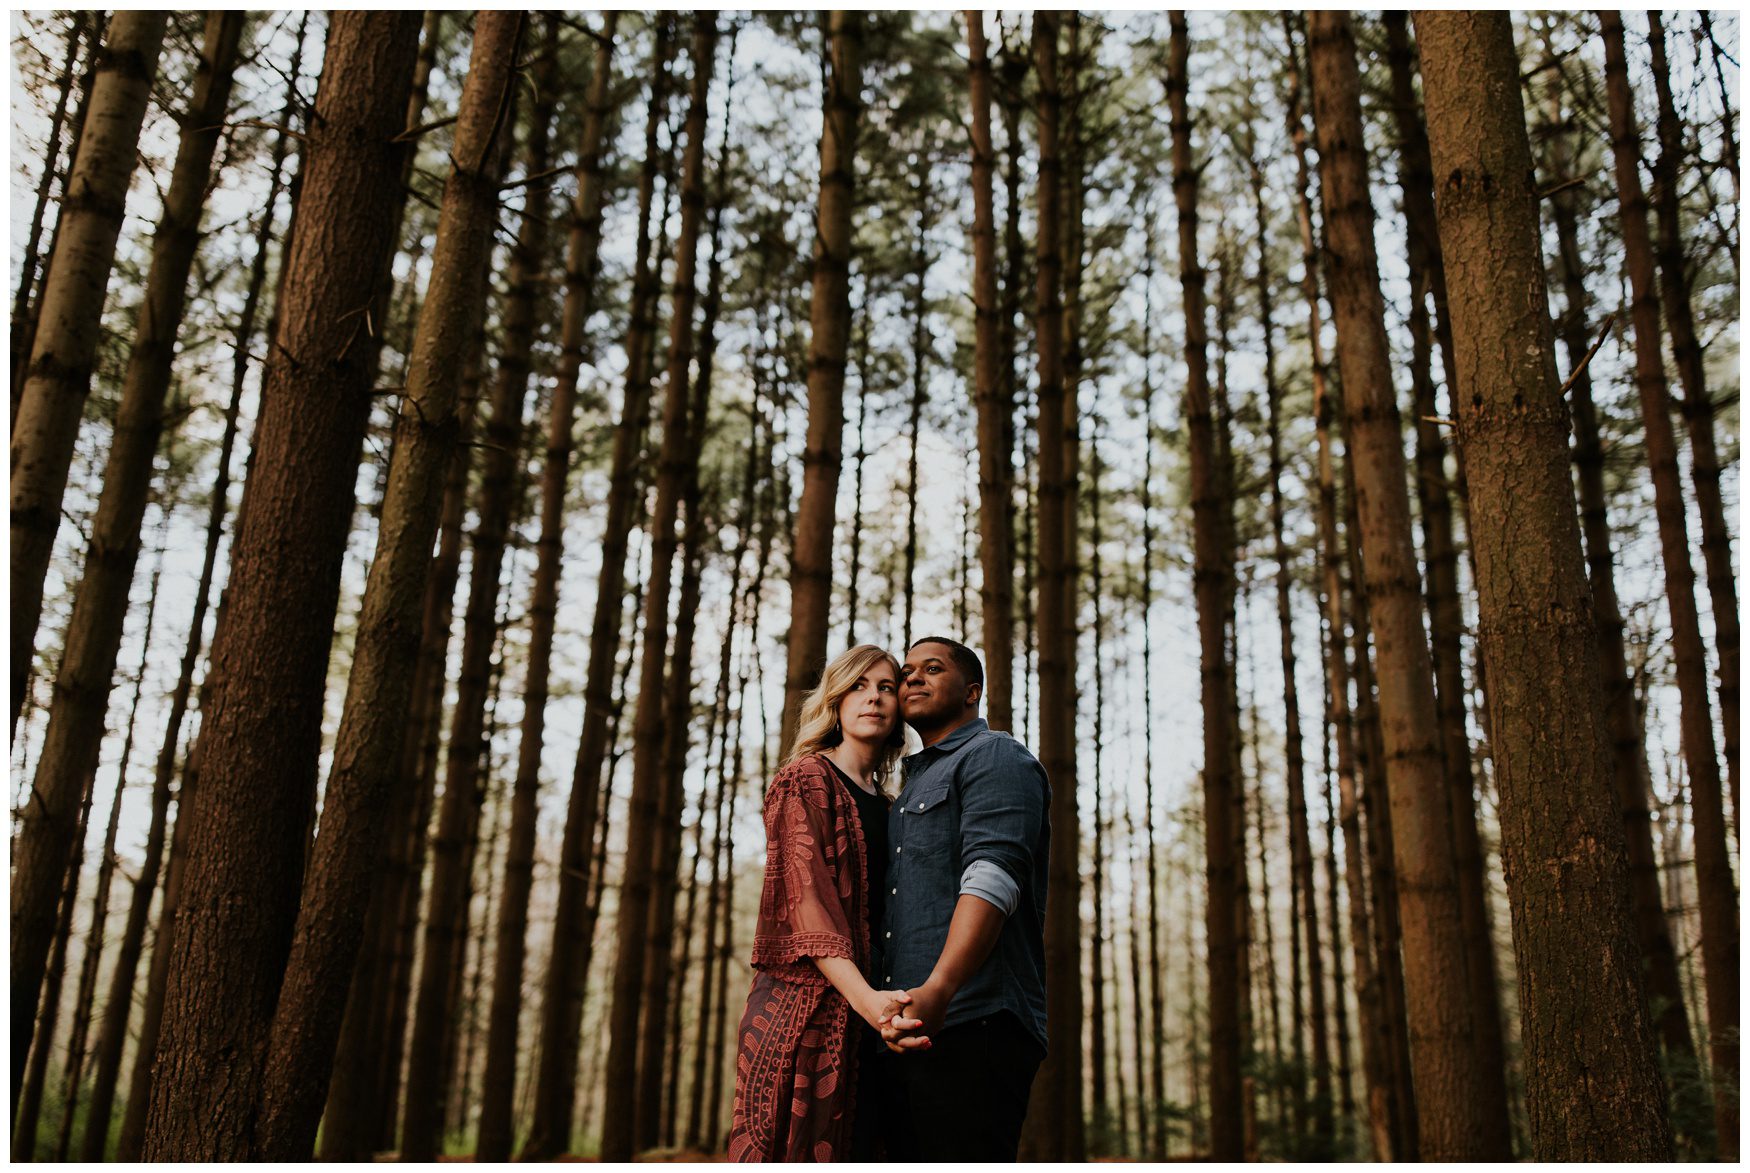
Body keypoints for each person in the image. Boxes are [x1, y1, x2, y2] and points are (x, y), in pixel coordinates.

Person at [727, 644, 914, 1162]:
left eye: (885, 687)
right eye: (858, 685)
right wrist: (868, 1001)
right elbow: (808, 907)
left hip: (876, 1019)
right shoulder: (804, 780)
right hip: (806, 1016)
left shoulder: (893, 805)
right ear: (835, 699)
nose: (872, 697)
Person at [875, 636, 1050, 1162]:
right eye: (906, 672)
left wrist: (941, 988)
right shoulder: (908, 785)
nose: (913, 679)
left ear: (972, 691)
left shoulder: (994, 756)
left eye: (932, 668)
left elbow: (993, 876)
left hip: (975, 1021)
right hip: (904, 1025)